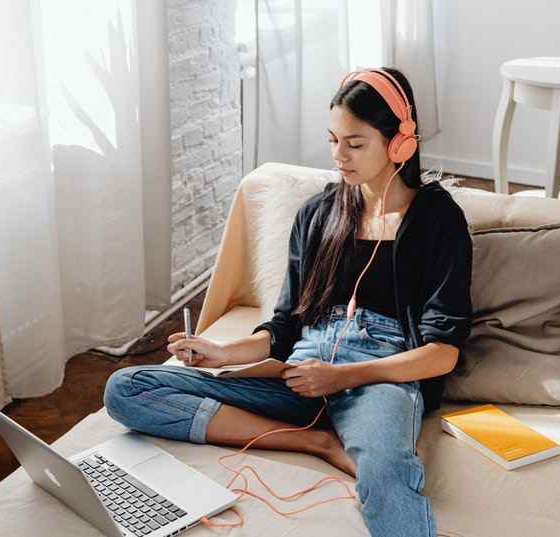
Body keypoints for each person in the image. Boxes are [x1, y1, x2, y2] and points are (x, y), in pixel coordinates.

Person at [103, 67, 473, 537]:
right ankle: (315, 442)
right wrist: (224, 353)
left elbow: (443, 353)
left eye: (355, 144)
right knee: (126, 388)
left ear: (400, 141)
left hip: (380, 374)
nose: (339, 156)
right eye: (333, 140)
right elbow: (284, 327)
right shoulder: (318, 213)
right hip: (300, 373)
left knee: (384, 471)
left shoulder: (438, 219)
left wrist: (341, 376)